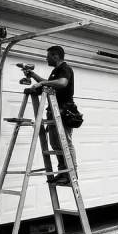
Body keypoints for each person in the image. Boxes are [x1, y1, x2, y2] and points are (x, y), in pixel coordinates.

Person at [24, 45, 77, 186]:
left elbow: (62, 83)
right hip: (53, 111)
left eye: (48, 56)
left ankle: (71, 174)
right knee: (55, 144)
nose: (46, 58)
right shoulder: (56, 71)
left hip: (63, 111)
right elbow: (48, 86)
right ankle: (62, 173)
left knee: (65, 143)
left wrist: (42, 82)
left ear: (55, 56)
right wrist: (33, 76)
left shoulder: (65, 69)